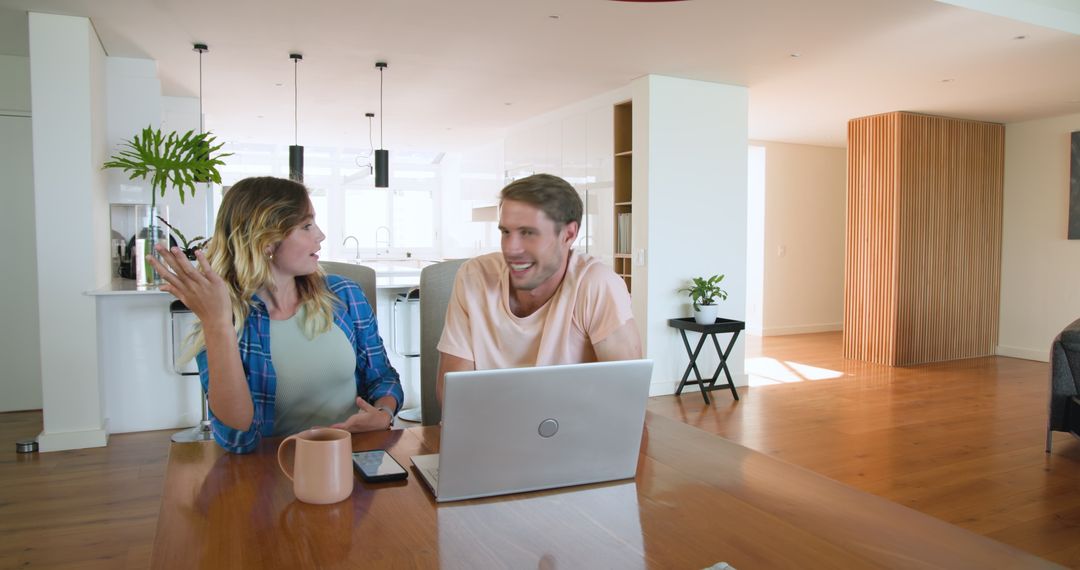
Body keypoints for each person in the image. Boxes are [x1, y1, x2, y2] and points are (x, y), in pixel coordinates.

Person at [150, 176, 402, 454]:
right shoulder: (228, 318)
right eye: (306, 225)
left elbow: (382, 378)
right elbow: (239, 438)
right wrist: (217, 324)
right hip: (272, 466)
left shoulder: (345, 295)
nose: (320, 235)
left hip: (355, 455)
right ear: (267, 241)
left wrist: (383, 413)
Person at [436, 173, 642, 403]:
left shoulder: (596, 284)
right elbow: (452, 395)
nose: (511, 249)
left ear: (568, 234)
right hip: (487, 433)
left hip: (572, 435)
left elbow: (627, 399)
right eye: (505, 232)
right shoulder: (474, 277)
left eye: (528, 233)